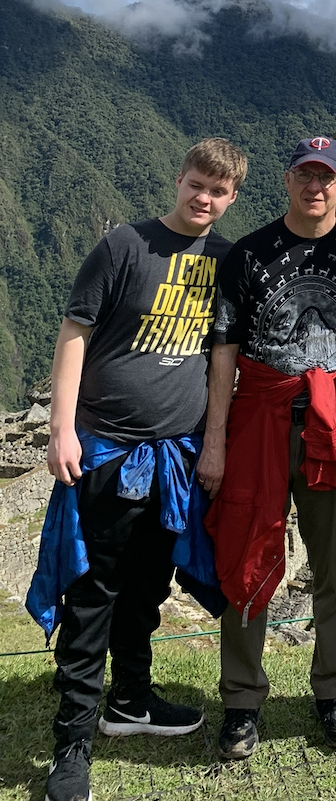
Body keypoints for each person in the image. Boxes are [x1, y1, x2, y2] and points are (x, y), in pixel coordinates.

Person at [29, 138, 247, 801]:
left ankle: (129, 703)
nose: (204, 199)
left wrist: (214, 443)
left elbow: (222, 358)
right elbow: (75, 332)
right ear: (177, 180)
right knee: (93, 593)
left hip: (175, 456)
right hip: (107, 449)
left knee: (149, 586)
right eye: (196, 185)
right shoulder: (125, 246)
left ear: (231, 197)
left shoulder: (224, 261)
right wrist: (61, 428)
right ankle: (72, 744)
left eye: (218, 191)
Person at [198, 136, 336, 760]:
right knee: (249, 551)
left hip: (334, 424)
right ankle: (242, 701)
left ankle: (334, 694)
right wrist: (215, 443)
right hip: (261, 420)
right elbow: (223, 351)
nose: (315, 186)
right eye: (305, 174)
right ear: (287, 180)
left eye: (326, 177)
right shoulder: (249, 255)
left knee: (332, 567)